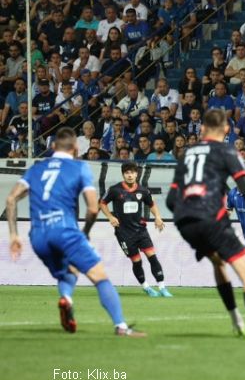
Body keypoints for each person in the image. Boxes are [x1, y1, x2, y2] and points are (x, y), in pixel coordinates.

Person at [5, 127, 145, 337]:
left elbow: (10, 199)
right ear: (76, 148)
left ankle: (66, 299)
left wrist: (13, 235)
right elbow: (92, 208)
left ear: (53, 147)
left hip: (38, 236)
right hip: (65, 231)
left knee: (68, 271)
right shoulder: (79, 167)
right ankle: (121, 327)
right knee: (100, 276)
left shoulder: (36, 168)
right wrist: (85, 232)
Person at [166, 109, 245, 342]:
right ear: (227, 129)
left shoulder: (187, 154)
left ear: (202, 129)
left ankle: (235, 318)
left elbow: (170, 200)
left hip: (184, 222)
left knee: (218, 263)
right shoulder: (227, 151)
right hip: (211, 219)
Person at [99, 162, 171, 298]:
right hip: (123, 233)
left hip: (140, 231)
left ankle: (162, 287)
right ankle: (146, 287)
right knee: (137, 261)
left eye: (132, 172)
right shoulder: (115, 190)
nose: (130, 175)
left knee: (152, 257)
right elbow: (102, 203)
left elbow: (152, 204)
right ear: (123, 174)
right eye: (127, 173)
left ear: (136, 174)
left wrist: (158, 217)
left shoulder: (143, 191)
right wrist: (110, 217)